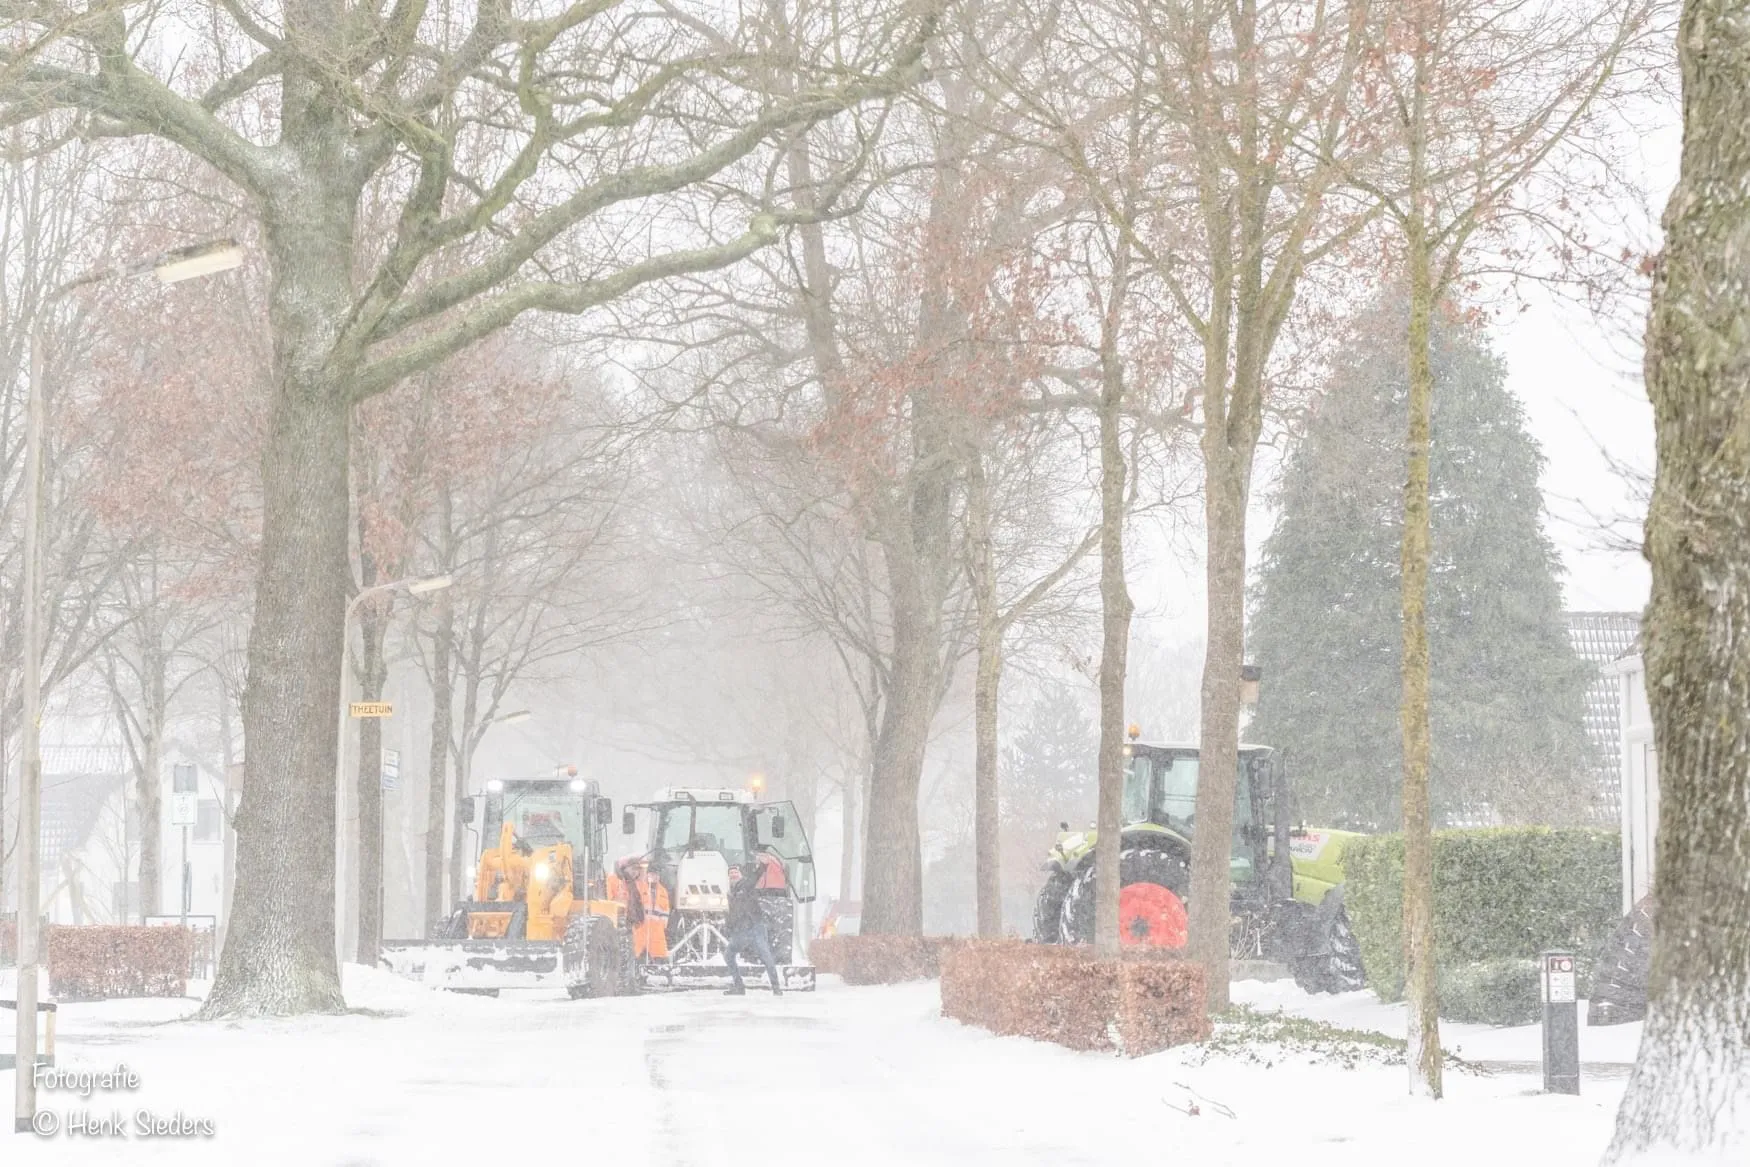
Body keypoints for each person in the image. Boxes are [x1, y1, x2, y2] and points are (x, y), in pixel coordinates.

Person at [723, 855, 783, 996]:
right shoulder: (730, 893)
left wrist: (763, 866)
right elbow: (732, 914)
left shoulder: (746, 885)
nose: (733, 875)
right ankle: (739, 987)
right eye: (730, 873)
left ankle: (776, 988)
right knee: (729, 955)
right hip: (740, 931)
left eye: (735, 872)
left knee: (766, 956)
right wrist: (730, 928)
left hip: (755, 927)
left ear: (741, 874)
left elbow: (756, 876)